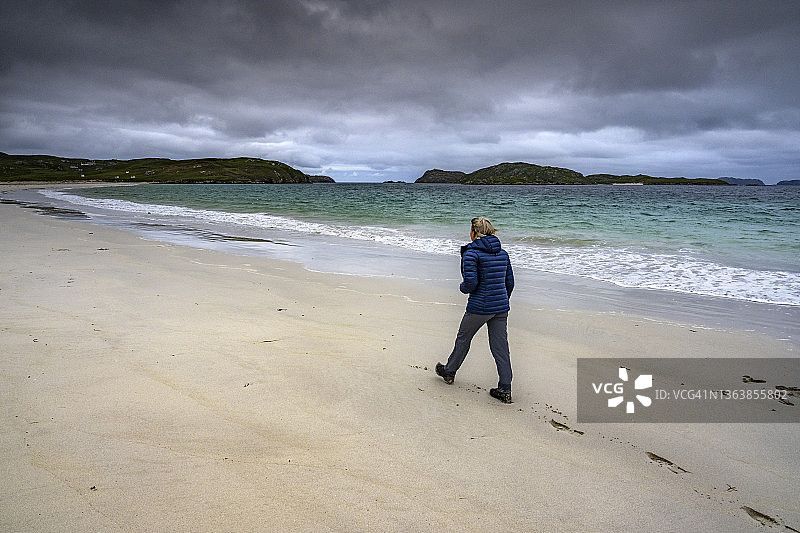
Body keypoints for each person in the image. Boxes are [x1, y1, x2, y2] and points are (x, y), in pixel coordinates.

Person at [436, 216, 515, 403]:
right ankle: (505, 389)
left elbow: (471, 284)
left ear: (473, 232)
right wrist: (502, 300)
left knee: (463, 338)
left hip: (479, 306)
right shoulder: (503, 253)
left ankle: (449, 372)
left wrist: (462, 286)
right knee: (501, 348)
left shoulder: (472, 253)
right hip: (501, 307)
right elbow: (509, 282)